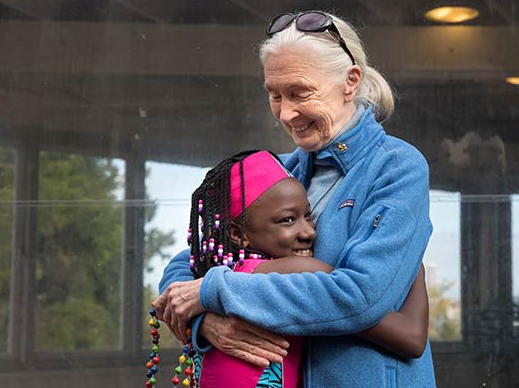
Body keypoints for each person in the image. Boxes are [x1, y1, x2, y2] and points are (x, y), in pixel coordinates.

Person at [154, 10, 436, 387]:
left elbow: (360, 297)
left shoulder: (398, 169)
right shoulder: (279, 172)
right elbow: (193, 260)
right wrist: (208, 322)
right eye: (275, 95)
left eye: (299, 93)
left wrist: (214, 292)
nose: (286, 113)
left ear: (350, 82)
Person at [158, 149, 427, 388]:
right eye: (288, 220)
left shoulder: (219, 269)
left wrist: (202, 312)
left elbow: (185, 269)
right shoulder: (299, 269)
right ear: (238, 234)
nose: (308, 231)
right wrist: (409, 249)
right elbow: (411, 337)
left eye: (308, 215)